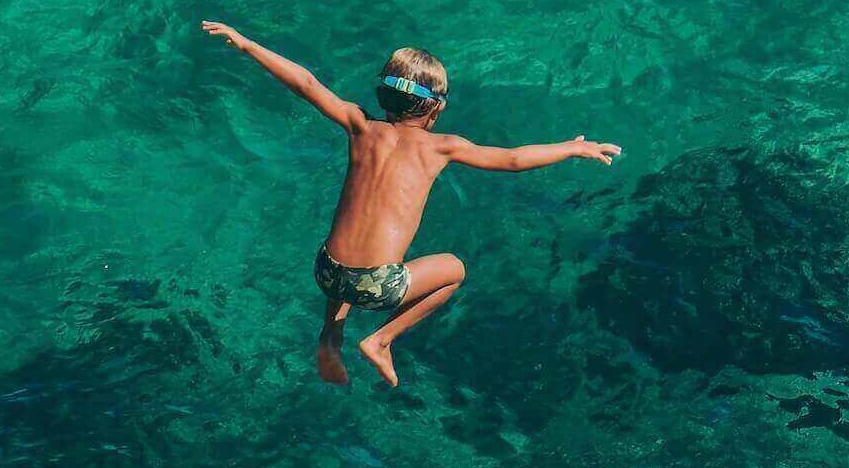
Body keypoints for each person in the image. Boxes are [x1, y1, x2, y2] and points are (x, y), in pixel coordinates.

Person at [200, 22, 620, 387]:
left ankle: (331, 337)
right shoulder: (442, 148)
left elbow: (306, 83)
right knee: (455, 270)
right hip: (377, 286)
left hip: (327, 271)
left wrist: (247, 43)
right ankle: (381, 341)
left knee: (351, 259)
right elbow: (512, 159)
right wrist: (569, 148)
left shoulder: (359, 124)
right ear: (434, 107)